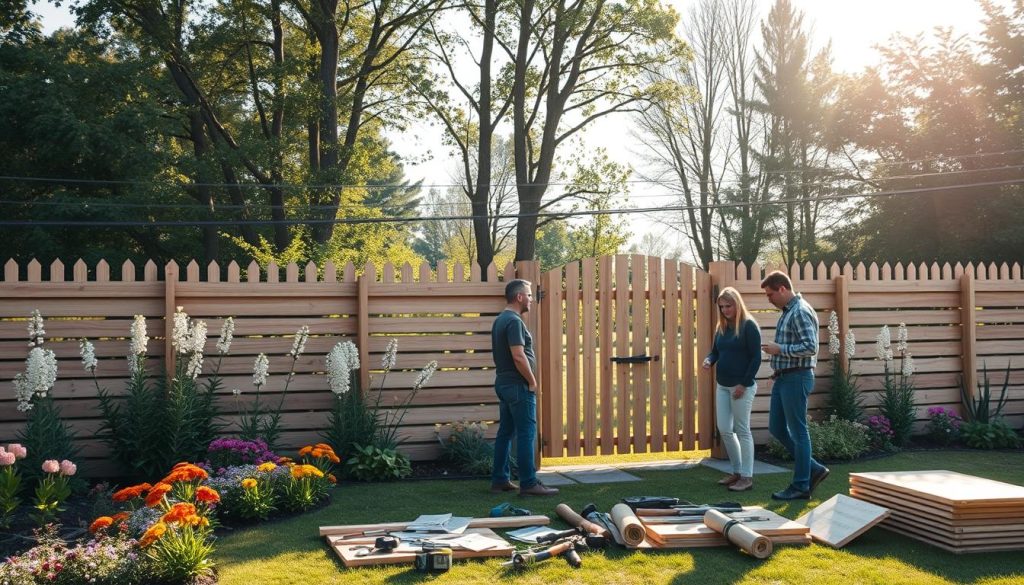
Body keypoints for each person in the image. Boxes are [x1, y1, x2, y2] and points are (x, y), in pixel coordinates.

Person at [760, 271, 830, 500]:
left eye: (770, 294)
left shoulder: (800, 311)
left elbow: (811, 347)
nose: (768, 299)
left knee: (799, 432)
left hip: (797, 377)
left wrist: (780, 350)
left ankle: (801, 485)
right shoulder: (789, 311)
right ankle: (814, 469)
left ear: (782, 288)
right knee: (777, 428)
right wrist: (776, 371)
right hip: (784, 376)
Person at [490, 279, 558, 497]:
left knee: (506, 433)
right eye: (529, 295)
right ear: (519, 297)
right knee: (527, 433)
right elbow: (518, 355)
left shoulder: (500, 320)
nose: (531, 298)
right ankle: (529, 483)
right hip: (518, 385)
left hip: (503, 383)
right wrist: (531, 380)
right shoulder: (514, 321)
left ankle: (500, 480)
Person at [702, 287, 761, 492]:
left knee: (742, 430)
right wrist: (709, 360)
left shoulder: (749, 326)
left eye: (729, 306)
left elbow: (756, 359)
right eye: (722, 307)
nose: (725, 310)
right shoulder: (722, 327)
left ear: (737, 303)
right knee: (725, 429)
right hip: (723, 386)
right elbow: (716, 351)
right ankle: (736, 472)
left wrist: (743, 385)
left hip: (741, 387)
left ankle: (747, 476)